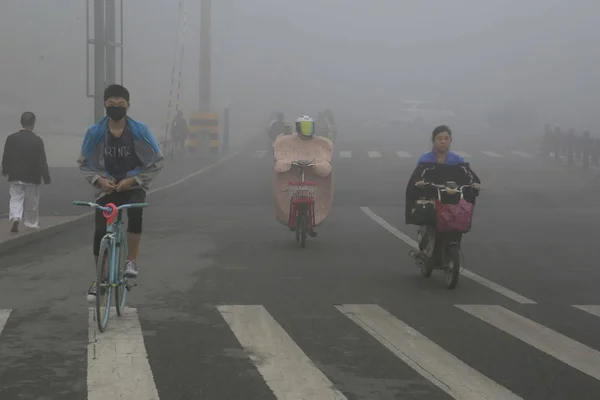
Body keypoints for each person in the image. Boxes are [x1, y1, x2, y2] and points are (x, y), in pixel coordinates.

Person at [77, 84, 164, 301]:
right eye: (111, 103)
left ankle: (131, 261)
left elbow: (157, 160)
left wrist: (133, 180)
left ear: (128, 106)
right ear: (105, 104)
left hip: (133, 185)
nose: (116, 107)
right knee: (100, 230)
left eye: (120, 104)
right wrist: (99, 180)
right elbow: (84, 163)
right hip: (107, 186)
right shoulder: (95, 132)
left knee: (135, 212)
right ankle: (101, 277)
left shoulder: (140, 131)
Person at [406, 125, 481, 268]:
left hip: (451, 199)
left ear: (450, 141)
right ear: (433, 141)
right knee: (431, 223)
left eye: (446, 138)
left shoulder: (457, 160)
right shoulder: (425, 159)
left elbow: (469, 174)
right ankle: (426, 242)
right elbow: (417, 175)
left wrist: (474, 184)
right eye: (439, 138)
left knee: (457, 221)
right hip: (431, 197)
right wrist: (419, 183)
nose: (443, 141)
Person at [1, 112, 51, 232]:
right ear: (33, 124)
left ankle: (15, 217)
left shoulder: (11, 138)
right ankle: (31, 223)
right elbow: (42, 160)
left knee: (15, 197)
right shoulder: (37, 140)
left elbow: (6, 156)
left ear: (21, 122)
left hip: (15, 174)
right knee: (32, 201)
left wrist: (5, 170)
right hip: (32, 177)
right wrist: (46, 176)